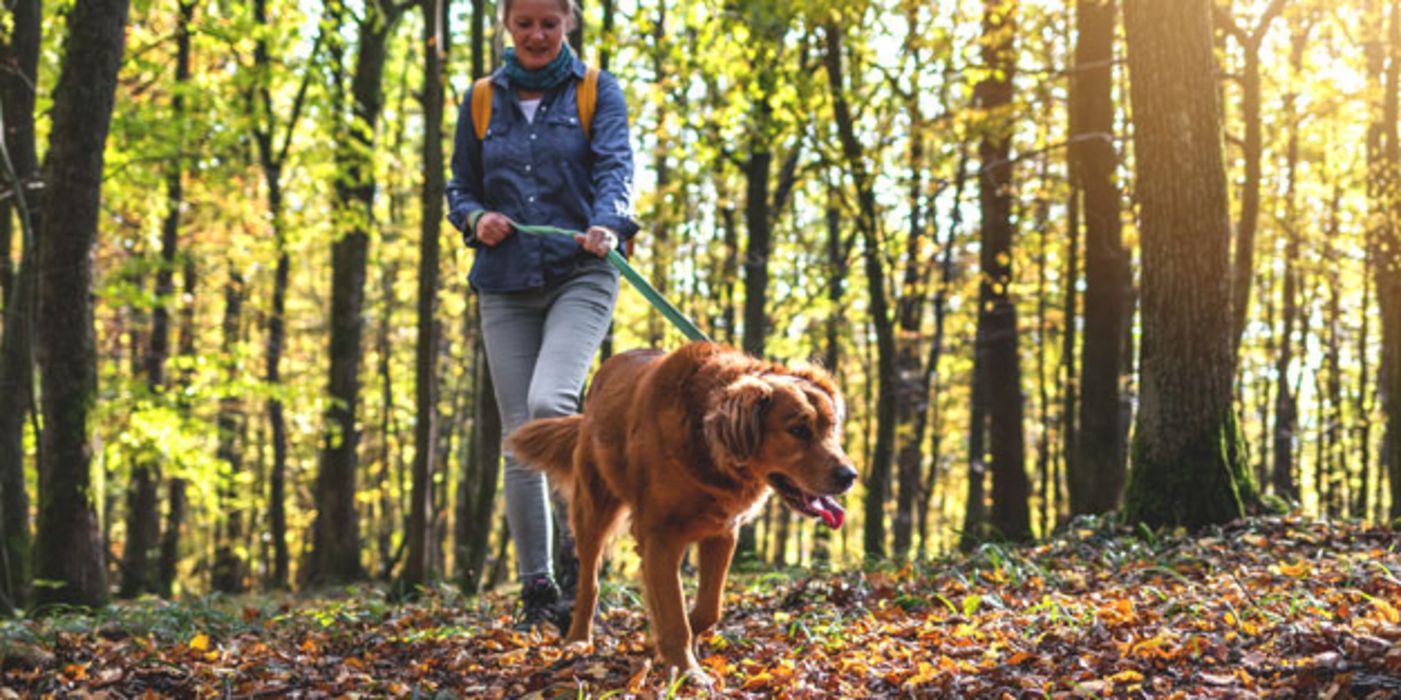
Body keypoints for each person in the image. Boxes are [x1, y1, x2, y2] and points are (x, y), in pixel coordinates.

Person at [446, 0, 638, 631]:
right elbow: (460, 188)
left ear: (569, 24)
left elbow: (616, 167)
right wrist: (476, 219)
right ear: (506, 24)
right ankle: (537, 592)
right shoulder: (478, 100)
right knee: (518, 437)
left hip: (580, 274)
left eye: (548, 23)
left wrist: (606, 222)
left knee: (550, 403)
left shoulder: (595, 91)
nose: (536, 35)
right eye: (524, 23)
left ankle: (578, 557)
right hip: (504, 281)